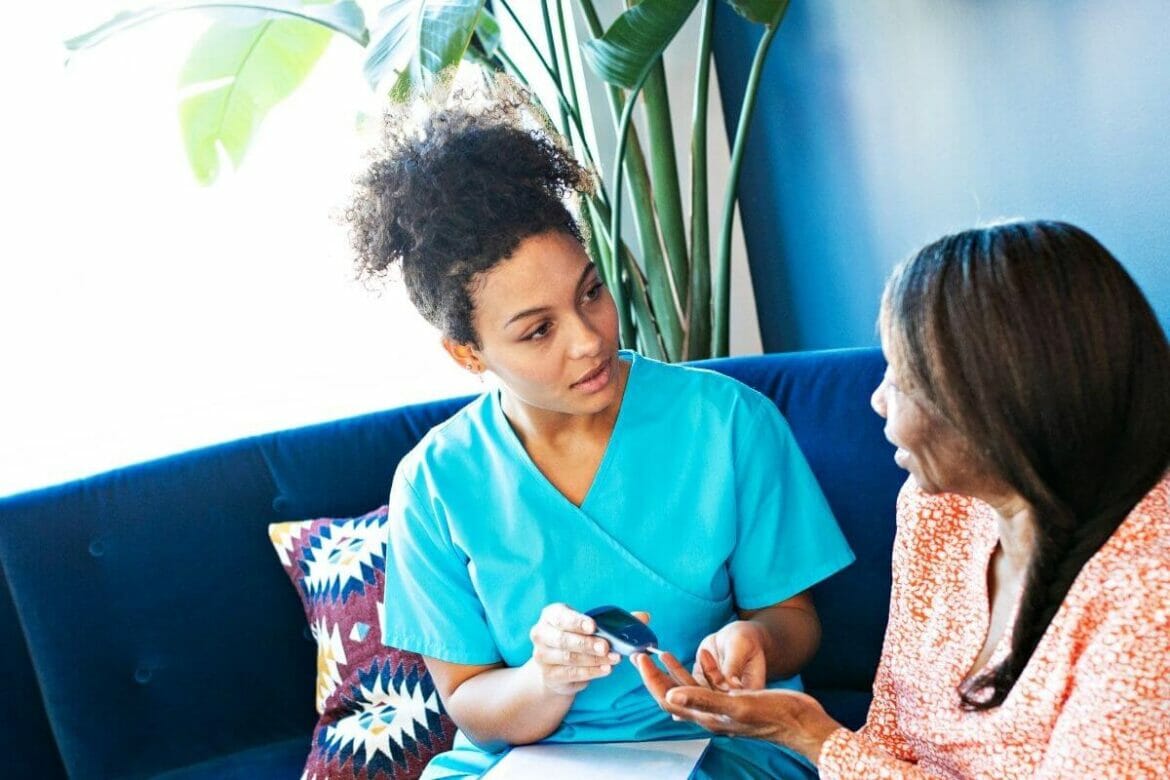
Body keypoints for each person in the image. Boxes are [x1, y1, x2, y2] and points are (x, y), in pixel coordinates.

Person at [345, 73, 855, 779]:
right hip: (530, 763)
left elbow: (795, 620)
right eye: (536, 331)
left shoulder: (729, 422)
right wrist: (544, 680)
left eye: (591, 291)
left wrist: (754, 640)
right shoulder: (434, 484)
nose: (588, 338)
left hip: (723, 748)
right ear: (467, 353)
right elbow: (469, 698)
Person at [635, 219, 1170, 777]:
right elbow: (891, 736)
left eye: (901, 377)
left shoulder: (1150, 601)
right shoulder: (939, 506)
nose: (877, 400)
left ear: (993, 405)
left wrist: (809, 736)